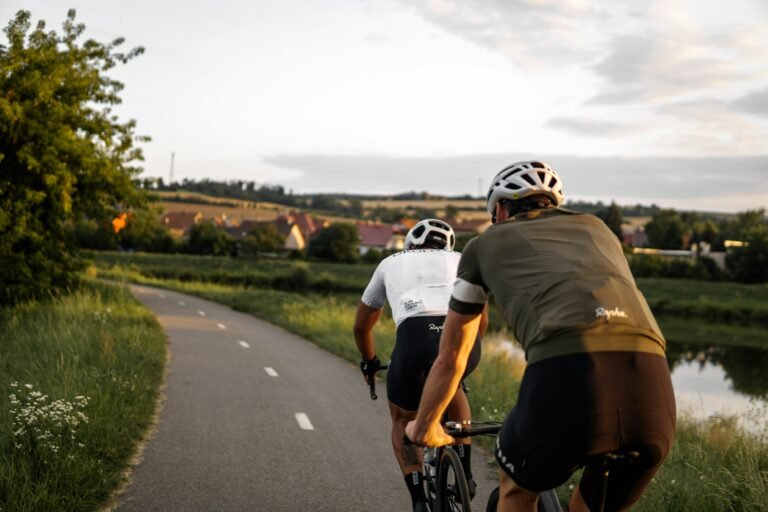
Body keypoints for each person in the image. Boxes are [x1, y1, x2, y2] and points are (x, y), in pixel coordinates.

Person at [405, 161, 676, 512]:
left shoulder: (484, 244)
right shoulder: (599, 230)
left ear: (500, 209)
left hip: (568, 374)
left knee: (516, 488)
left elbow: (451, 358)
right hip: (653, 387)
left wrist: (424, 426)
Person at [354, 218, 487, 512]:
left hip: (415, 338)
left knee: (403, 420)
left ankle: (418, 500)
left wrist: (370, 362)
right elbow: (481, 317)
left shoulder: (391, 262)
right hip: (464, 336)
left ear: (410, 244)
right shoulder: (463, 258)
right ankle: (465, 473)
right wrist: (464, 358)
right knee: (452, 383)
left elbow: (362, 327)